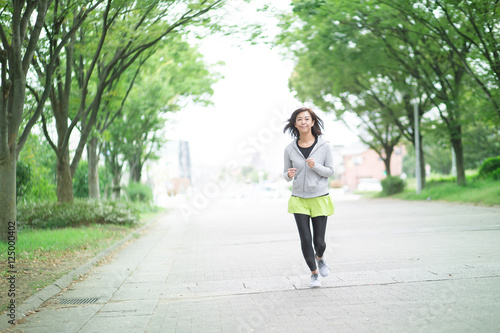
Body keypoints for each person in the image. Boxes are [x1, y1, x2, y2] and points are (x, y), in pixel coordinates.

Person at [283, 107, 335, 288]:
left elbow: (330, 171)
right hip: (298, 198)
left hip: (319, 197)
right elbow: (286, 174)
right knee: (305, 239)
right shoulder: (289, 149)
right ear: (295, 124)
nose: (303, 122)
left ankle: (320, 258)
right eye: (299, 119)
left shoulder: (324, 146)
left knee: (319, 242)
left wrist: (316, 166)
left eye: (307, 119)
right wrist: (288, 174)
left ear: (312, 122)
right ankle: (314, 274)